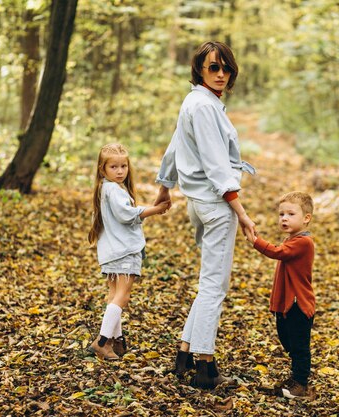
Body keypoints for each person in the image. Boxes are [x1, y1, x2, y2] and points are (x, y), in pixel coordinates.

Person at [154, 41, 257, 388]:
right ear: (199, 68)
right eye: (214, 67)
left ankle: (184, 355)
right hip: (215, 205)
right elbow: (215, 164)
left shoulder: (198, 102)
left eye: (226, 67)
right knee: (215, 286)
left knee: (208, 284)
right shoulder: (203, 106)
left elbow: (174, 145)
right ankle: (205, 366)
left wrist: (165, 184)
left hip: (198, 203)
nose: (221, 74)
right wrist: (241, 212)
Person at [88, 143, 170, 360]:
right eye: (113, 167)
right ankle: (102, 341)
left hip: (113, 251)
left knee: (114, 295)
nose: (120, 171)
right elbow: (127, 215)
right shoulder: (113, 190)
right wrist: (156, 210)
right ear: (102, 169)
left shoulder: (107, 189)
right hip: (123, 251)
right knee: (122, 297)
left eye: (123, 166)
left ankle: (117, 341)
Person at [246, 191, 316, 399]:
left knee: (299, 345)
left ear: (306, 218)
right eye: (281, 214)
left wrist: (255, 240)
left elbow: (278, 252)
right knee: (288, 340)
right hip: (286, 304)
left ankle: (301, 385)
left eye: (291, 214)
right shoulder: (292, 239)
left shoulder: (303, 242)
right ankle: (296, 377)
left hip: (298, 304)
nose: (284, 218)